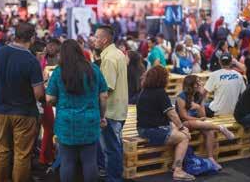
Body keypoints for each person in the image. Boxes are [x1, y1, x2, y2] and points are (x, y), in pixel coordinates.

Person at [45, 39, 108, 182]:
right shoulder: (93, 69)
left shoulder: (58, 72)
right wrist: (102, 116)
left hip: (66, 122)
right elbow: (104, 95)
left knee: (67, 162)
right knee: (90, 161)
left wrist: (59, 103)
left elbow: (49, 99)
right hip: (90, 121)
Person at [0, 22, 45, 182]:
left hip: (1, 110)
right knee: (22, 154)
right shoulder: (31, 60)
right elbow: (38, 93)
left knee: (2, 149)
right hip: (24, 113)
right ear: (32, 38)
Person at [136, 65, 195, 181]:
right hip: (153, 131)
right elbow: (172, 114)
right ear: (161, 78)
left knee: (177, 130)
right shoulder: (160, 93)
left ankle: (175, 165)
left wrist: (177, 127)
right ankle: (178, 170)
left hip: (143, 129)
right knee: (184, 138)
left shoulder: (144, 92)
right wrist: (182, 128)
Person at [175, 75, 235, 170]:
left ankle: (211, 159)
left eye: (199, 81)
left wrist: (198, 107)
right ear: (191, 84)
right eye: (197, 82)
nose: (200, 84)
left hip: (197, 121)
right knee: (193, 123)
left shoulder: (199, 95)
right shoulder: (181, 97)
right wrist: (198, 119)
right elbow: (183, 116)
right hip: (183, 123)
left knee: (209, 131)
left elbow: (203, 115)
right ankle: (220, 128)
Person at [94, 25, 128, 182]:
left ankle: (114, 178)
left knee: (111, 149)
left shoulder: (108, 58)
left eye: (96, 37)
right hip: (120, 109)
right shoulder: (118, 54)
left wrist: (101, 114)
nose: (94, 40)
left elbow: (106, 89)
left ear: (105, 39)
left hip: (110, 112)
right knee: (115, 147)